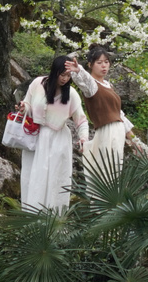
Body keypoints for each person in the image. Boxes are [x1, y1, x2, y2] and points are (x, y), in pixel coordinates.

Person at [19, 54, 88, 212]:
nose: (65, 79)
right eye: (62, 74)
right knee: (32, 176)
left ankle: (52, 217)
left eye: (68, 76)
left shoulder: (71, 94)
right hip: (35, 137)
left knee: (54, 180)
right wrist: (24, 108)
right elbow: (28, 103)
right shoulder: (37, 83)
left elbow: (81, 120)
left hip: (57, 141)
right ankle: (31, 215)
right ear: (54, 71)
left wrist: (83, 137)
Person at [68, 46, 135, 179]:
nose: (104, 66)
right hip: (106, 130)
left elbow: (119, 114)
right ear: (90, 65)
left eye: (106, 62)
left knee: (115, 171)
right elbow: (85, 81)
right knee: (106, 170)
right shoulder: (92, 87)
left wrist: (133, 138)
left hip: (118, 130)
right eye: (99, 62)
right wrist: (78, 70)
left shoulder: (109, 85)